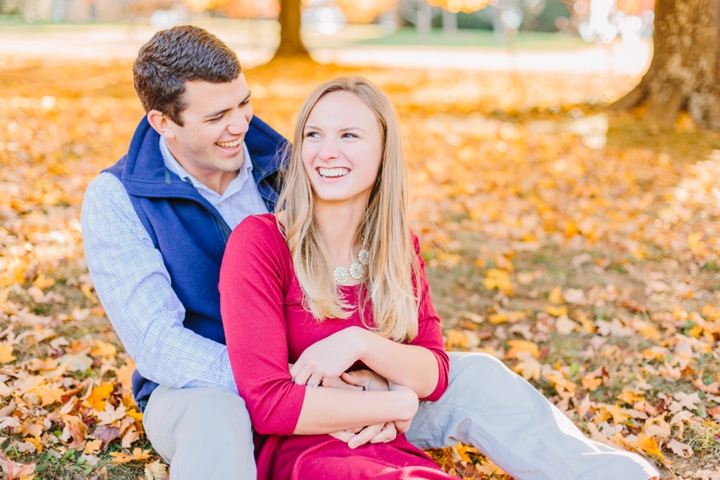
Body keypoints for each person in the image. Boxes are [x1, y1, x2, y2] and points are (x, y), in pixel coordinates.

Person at [81, 25, 659, 480]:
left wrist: (373, 384)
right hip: (219, 387)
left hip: (339, 377)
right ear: (162, 122)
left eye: (243, 104)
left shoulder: (292, 160)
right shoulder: (119, 199)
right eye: (215, 118)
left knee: (475, 375)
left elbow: (364, 259)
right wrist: (303, 388)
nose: (238, 126)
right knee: (217, 418)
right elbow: (160, 346)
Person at [219, 77, 456, 479]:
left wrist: (360, 343)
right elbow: (269, 404)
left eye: (349, 135)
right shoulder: (262, 242)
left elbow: (434, 373)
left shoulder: (396, 247)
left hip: (389, 448)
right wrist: (396, 403)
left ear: (384, 152)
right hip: (308, 456)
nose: (327, 153)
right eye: (314, 135)